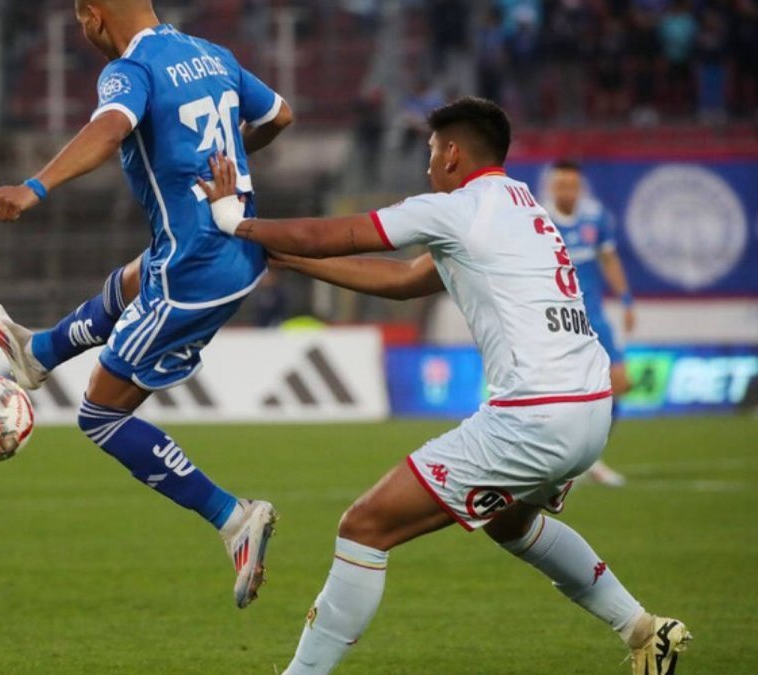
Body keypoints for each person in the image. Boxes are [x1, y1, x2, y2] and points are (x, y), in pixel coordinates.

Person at [197, 97, 689, 674]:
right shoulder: (524, 208)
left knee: (365, 526)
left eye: (431, 152)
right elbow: (408, 280)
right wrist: (290, 260)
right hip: (590, 409)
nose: (428, 165)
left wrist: (237, 222)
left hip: (534, 416)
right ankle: (643, 631)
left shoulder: (457, 209)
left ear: (453, 153)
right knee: (511, 521)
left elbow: (347, 233)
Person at [0, 0, 294, 608]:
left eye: (79, 20)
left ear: (94, 14)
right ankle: (37, 352)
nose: (81, 31)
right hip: (233, 247)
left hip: (193, 275)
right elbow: (280, 113)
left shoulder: (131, 69)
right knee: (131, 275)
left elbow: (109, 128)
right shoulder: (210, 54)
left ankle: (234, 519)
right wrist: (234, 157)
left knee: (100, 415)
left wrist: (33, 188)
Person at [545, 160, 635, 487]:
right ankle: (563, 459)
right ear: (552, 187)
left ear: (579, 187)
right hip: (558, 321)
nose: (567, 190)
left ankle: (592, 456)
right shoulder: (539, 221)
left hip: (595, 317)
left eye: (572, 184)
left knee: (620, 383)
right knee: (559, 394)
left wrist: (625, 299)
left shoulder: (595, 218)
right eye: (561, 184)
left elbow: (609, 259)